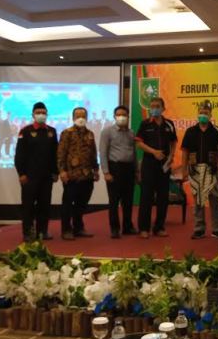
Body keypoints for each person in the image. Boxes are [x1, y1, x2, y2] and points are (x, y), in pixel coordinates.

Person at [14, 102, 58, 242]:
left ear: (47, 114)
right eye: (38, 112)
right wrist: (21, 173)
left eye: (43, 112)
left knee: (44, 205)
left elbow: (55, 154)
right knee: (28, 205)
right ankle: (28, 232)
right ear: (33, 114)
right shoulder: (25, 131)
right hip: (29, 176)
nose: (41, 115)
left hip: (46, 176)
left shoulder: (52, 131)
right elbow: (19, 155)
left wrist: (55, 172)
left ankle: (42, 231)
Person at [181, 100, 218, 239]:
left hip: (212, 170)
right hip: (195, 170)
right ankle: (199, 228)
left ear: (210, 115)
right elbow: (185, 152)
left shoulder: (217, 131)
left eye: (205, 112)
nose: (203, 115)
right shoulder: (190, 131)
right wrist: (184, 170)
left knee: (215, 200)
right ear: (197, 114)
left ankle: (217, 229)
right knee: (198, 201)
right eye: (201, 112)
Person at [135, 97, 177, 239]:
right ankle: (144, 228)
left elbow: (173, 142)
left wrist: (171, 156)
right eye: (152, 106)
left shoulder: (169, 124)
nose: (154, 109)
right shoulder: (145, 124)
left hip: (164, 166)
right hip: (149, 164)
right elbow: (139, 143)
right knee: (146, 197)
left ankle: (159, 227)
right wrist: (154, 152)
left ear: (163, 108)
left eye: (157, 106)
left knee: (163, 198)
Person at [57, 107, 100, 240]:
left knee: (82, 204)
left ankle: (78, 228)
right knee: (68, 204)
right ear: (73, 118)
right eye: (77, 116)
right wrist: (62, 171)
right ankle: (66, 230)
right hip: (71, 175)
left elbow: (93, 153)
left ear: (86, 118)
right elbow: (61, 154)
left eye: (83, 116)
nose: (80, 118)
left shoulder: (90, 134)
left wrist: (96, 169)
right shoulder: (66, 133)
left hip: (87, 175)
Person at [100, 105, 138, 239]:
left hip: (129, 169)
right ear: (114, 117)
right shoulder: (107, 132)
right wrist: (106, 172)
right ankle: (114, 228)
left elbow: (134, 153)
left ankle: (127, 227)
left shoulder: (131, 133)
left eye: (124, 115)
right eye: (119, 115)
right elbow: (103, 153)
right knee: (114, 201)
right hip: (114, 168)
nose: (121, 117)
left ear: (128, 116)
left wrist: (137, 171)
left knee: (128, 200)